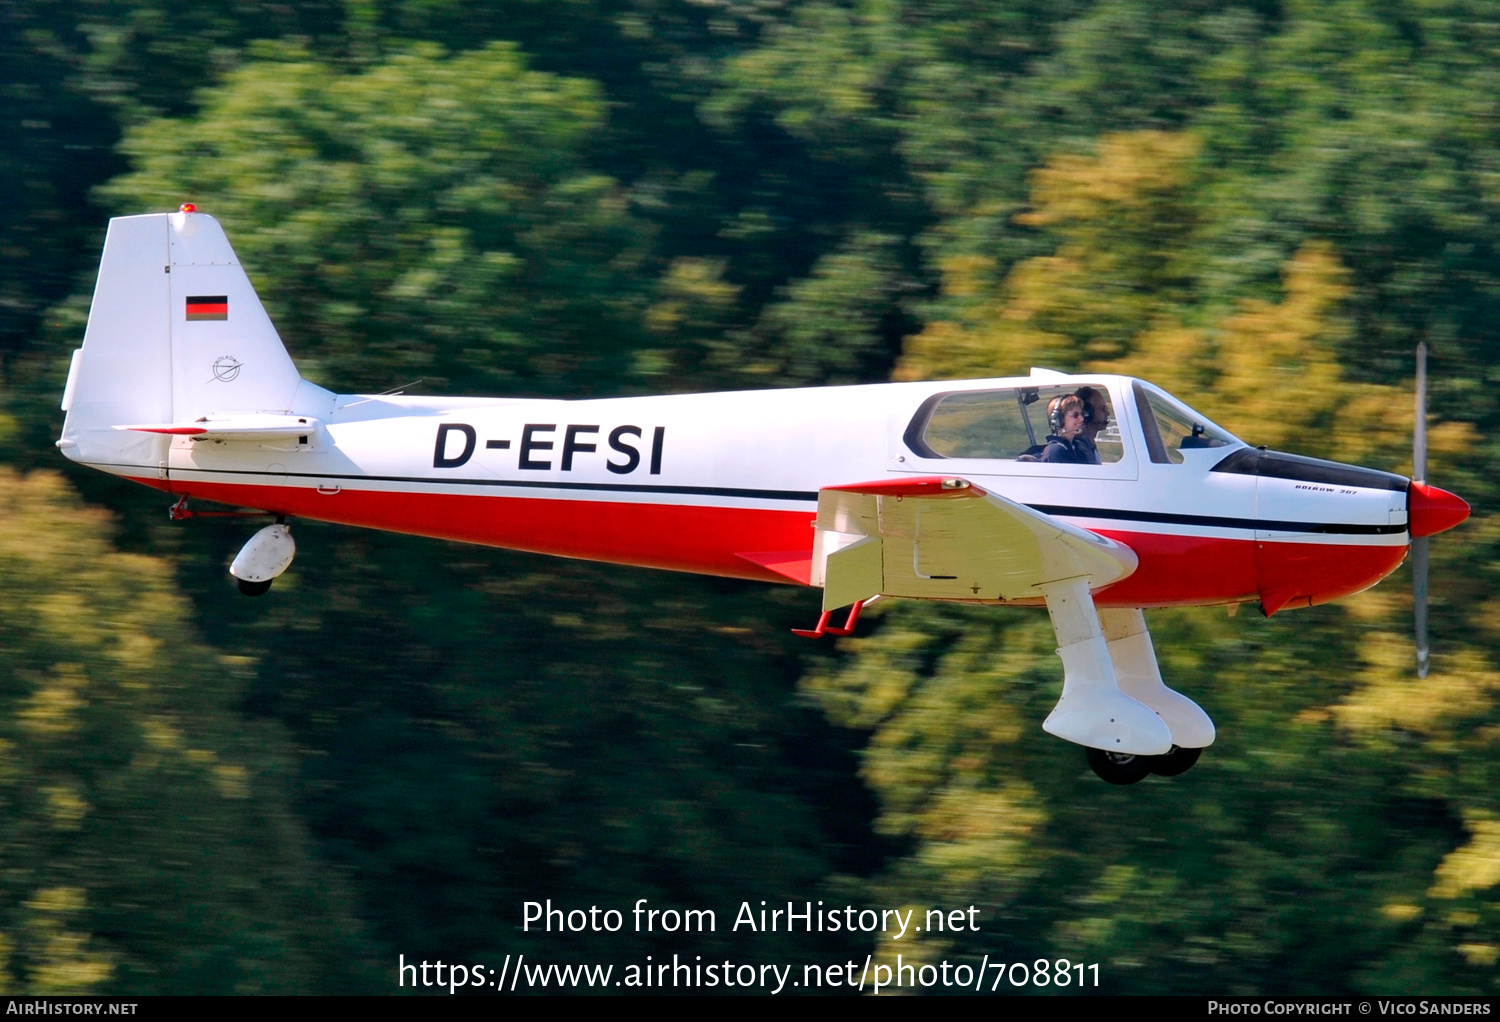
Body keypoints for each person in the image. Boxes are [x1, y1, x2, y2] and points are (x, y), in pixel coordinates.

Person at [1040, 395, 1091, 464]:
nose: (1081, 418)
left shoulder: (1077, 449)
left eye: (1082, 414)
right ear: (1058, 419)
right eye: (1075, 415)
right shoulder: (1055, 452)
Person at [1073, 386, 1110, 466]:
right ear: (1086, 413)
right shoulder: (1080, 450)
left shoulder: (1088, 443)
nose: (1108, 414)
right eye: (1103, 409)